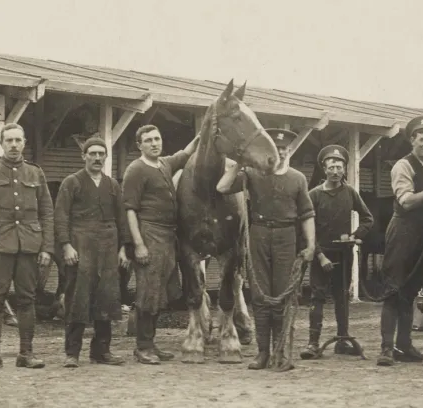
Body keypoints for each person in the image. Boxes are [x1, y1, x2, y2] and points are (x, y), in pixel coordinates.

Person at [217, 128, 316, 371]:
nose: (280, 152)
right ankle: (263, 353)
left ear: (290, 151)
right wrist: (237, 163)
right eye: (276, 148)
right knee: (261, 296)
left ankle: (281, 352)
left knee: (282, 295)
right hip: (259, 234)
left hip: (286, 236)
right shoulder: (252, 173)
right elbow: (222, 187)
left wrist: (311, 245)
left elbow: (307, 215)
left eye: (284, 149)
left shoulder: (297, 179)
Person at [0, 123, 54, 371]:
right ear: (1, 144)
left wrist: (47, 247)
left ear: (25, 143)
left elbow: (47, 212)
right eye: (9, 141)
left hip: (28, 247)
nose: (14, 145)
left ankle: (26, 353)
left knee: (27, 300)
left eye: (18, 140)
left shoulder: (36, 173)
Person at [377, 116, 423, 367]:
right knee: (393, 291)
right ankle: (386, 348)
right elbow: (407, 201)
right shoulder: (403, 166)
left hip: (422, 236)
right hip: (403, 233)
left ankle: (404, 345)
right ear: (413, 140)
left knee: (410, 292)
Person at [122, 124, 199, 365]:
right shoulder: (136, 169)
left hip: (167, 236)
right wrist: (138, 244)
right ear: (139, 145)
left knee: (160, 291)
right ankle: (142, 346)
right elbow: (130, 210)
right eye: (148, 140)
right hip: (148, 232)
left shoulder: (164, 163)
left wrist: (203, 133)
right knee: (147, 291)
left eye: (157, 138)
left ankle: (151, 342)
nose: (154, 143)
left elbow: (185, 154)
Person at [54, 136, 131, 368]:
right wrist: (66, 245)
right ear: (84, 156)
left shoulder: (112, 185)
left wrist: (124, 248)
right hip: (80, 245)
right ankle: (72, 352)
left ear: (106, 157)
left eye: (101, 154)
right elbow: (61, 216)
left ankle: (102, 351)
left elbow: (121, 219)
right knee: (77, 297)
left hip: (108, 247)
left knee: (107, 298)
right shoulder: (71, 182)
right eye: (93, 154)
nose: (97, 158)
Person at [299, 145, 374, 359]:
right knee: (318, 297)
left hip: (344, 254)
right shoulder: (313, 195)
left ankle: (342, 340)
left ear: (344, 169)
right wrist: (320, 256)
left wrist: (355, 235)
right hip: (320, 254)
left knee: (342, 297)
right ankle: (313, 344)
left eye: (339, 167)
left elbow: (368, 218)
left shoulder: (350, 193)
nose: (335, 171)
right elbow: (306, 230)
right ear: (324, 169)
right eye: (331, 167)